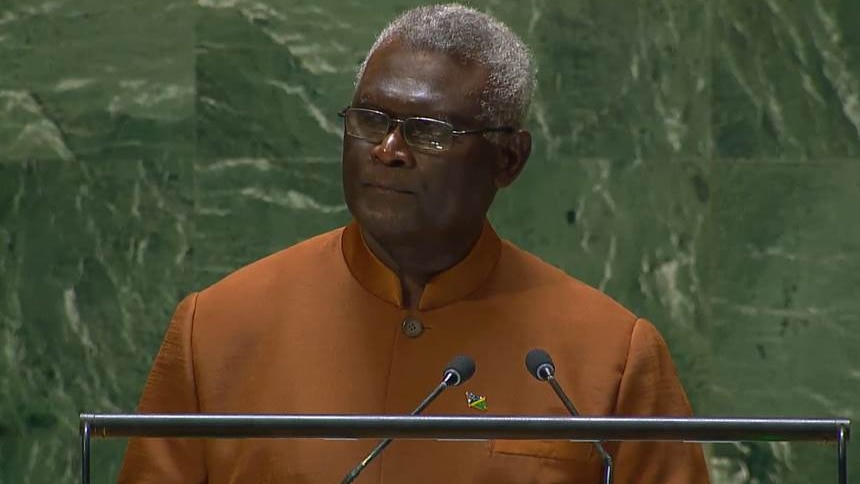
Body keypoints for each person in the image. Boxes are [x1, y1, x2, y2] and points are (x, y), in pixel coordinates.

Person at [119, 4, 709, 483]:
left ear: (509, 158)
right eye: (371, 120)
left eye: (428, 132)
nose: (388, 149)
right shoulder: (216, 330)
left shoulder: (608, 356)